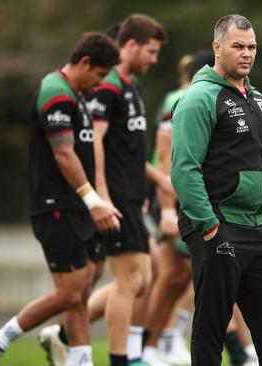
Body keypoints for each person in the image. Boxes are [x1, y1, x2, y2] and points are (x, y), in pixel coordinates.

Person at [0, 33, 121, 366]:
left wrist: (98, 198)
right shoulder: (55, 91)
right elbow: (64, 154)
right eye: (98, 76)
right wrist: (93, 200)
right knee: (69, 293)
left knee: (82, 291)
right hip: (56, 207)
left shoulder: (78, 95)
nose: (99, 85)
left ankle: (79, 361)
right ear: (85, 63)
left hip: (78, 207)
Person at [170, 14, 262, 366]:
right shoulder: (198, 98)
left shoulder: (257, 98)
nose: (246, 53)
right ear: (217, 48)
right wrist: (208, 226)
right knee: (211, 326)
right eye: (238, 46)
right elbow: (183, 170)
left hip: (261, 228)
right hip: (219, 226)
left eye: (251, 46)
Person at [89, 14, 168, 366]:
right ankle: (123, 359)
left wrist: (160, 180)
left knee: (147, 273)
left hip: (132, 196)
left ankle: (66, 336)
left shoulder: (130, 87)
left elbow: (130, 152)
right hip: (116, 197)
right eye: (150, 51)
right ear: (131, 45)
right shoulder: (107, 87)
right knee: (132, 278)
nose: (154, 59)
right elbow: (95, 142)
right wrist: (101, 195)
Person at [141, 50, 214, 366]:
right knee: (171, 276)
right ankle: (144, 346)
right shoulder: (183, 98)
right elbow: (165, 154)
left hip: (188, 197)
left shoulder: (206, 96)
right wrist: (168, 209)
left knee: (177, 277)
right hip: (172, 198)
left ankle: (152, 345)